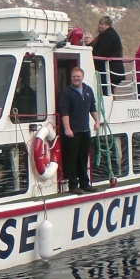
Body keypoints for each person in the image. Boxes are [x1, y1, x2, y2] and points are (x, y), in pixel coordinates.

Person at [58, 66, 102, 195]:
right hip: (73, 131)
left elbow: (92, 107)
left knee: (83, 157)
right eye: (74, 76)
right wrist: (67, 129)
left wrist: (97, 121)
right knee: (72, 158)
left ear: (82, 77)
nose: (76, 79)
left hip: (85, 129)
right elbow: (64, 112)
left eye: (78, 76)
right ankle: (73, 185)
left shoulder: (88, 90)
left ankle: (85, 183)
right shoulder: (67, 93)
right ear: (70, 78)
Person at [92, 15, 124, 96]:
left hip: (109, 67)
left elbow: (103, 50)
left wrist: (93, 59)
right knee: (111, 88)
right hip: (113, 67)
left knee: (106, 89)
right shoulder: (111, 33)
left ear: (108, 24)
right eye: (99, 24)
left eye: (102, 24)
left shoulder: (107, 35)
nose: (100, 26)